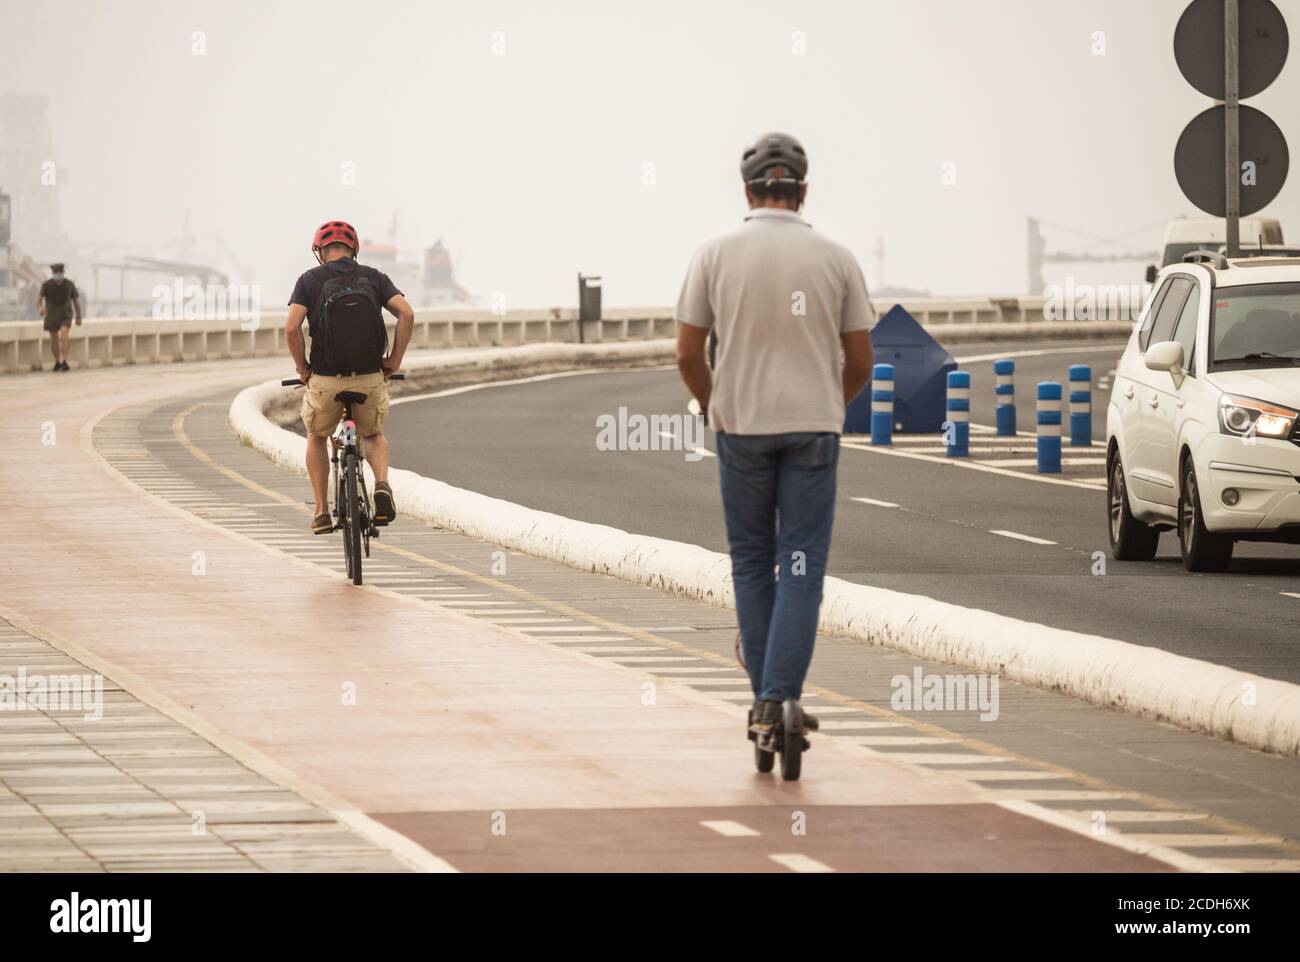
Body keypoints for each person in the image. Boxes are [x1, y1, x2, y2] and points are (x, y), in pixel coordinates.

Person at [674, 132, 875, 744]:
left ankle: (767, 702)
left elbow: (687, 352)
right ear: (804, 191)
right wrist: (828, 408)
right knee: (802, 564)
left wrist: (716, 406)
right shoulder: (837, 258)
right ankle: (780, 695)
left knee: (753, 564)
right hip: (814, 429)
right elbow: (861, 360)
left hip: (741, 430)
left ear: (747, 190)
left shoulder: (713, 254)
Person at [285, 220, 415, 535]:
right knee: (372, 435)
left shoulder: (309, 280)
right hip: (369, 375)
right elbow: (407, 314)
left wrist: (303, 370)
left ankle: (320, 512)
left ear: (320, 251)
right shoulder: (373, 277)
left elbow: (291, 328)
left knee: (317, 436)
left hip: (326, 380)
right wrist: (393, 361)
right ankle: (381, 484)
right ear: (353, 249)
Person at [37, 262, 81, 371]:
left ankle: (64, 361)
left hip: (66, 315)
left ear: (63, 272)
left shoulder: (70, 284)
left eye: (60, 272)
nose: (58, 274)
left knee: (64, 332)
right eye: (56, 272)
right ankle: (57, 361)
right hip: (51, 316)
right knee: (54, 340)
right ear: (52, 273)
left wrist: (78, 316)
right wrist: (40, 308)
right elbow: (39, 300)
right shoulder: (46, 285)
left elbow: (76, 301)